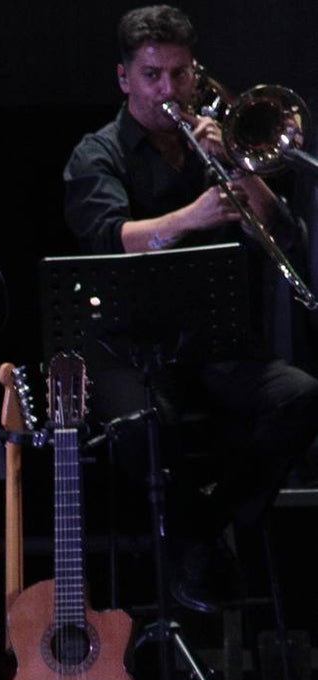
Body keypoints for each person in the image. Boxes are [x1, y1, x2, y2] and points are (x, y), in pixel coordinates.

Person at [62, 4, 318, 613]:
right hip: (126, 348)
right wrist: (191, 218)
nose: (167, 91)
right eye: (152, 75)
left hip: (214, 340)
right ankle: (202, 540)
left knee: (302, 395)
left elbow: (282, 236)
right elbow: (109, 237)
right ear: (125, 78)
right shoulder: (97, 154)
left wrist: (239, 162)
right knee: (142, 427)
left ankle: (203, 527)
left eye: (179, 74)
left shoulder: (215, 141)